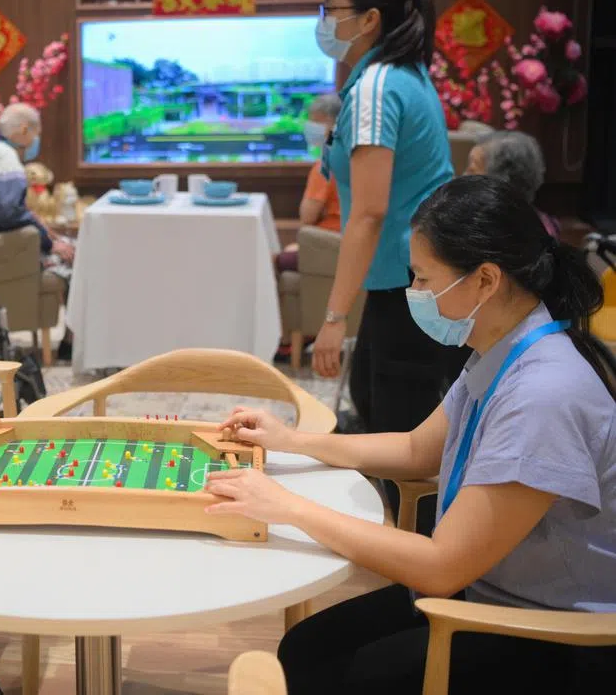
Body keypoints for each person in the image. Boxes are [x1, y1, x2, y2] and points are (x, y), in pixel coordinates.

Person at [207, 175, 616, 694]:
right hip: (489, 589)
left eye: (424, 279)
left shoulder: (544, 394)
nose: (414, 293)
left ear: (486, 280)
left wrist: (287, 506)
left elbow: (442, 567)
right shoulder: (505, 348)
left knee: (318, 673)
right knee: (304, 649)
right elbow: (417, 449)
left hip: (553, 635)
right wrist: (292, 440)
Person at [313, 0, 468, 524]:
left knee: (402, 437)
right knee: (383, 414)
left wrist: (333, 316)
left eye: (331, 8)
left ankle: (418, 581)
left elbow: (371, 211)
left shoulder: (379, 85)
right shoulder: (398, 74)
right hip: (410, 282)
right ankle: (406, 564)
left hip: (413, 283)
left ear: (370, 19)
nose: (324, 20)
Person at [0, 103, 75, 358]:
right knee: (72, 257)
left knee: (60, 243)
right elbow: (9, 214)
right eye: (37, 133)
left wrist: (45, 232)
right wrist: (50, 243)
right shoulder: (8, 160)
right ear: (24, 129)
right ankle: (69, 343)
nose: (37, 140)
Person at [277, 93, 344, 273]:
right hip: (360, 245)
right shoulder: (363, 157)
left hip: (330, 243)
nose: (311, 128)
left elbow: (307, 216)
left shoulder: (326, 165)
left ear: (335, 124)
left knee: (277, 260)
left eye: (317, 122)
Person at [464, 129, 559, 239]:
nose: (464, 175)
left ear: (501, 182)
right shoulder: (538, 220)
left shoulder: (489, 238)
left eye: (471, 170)